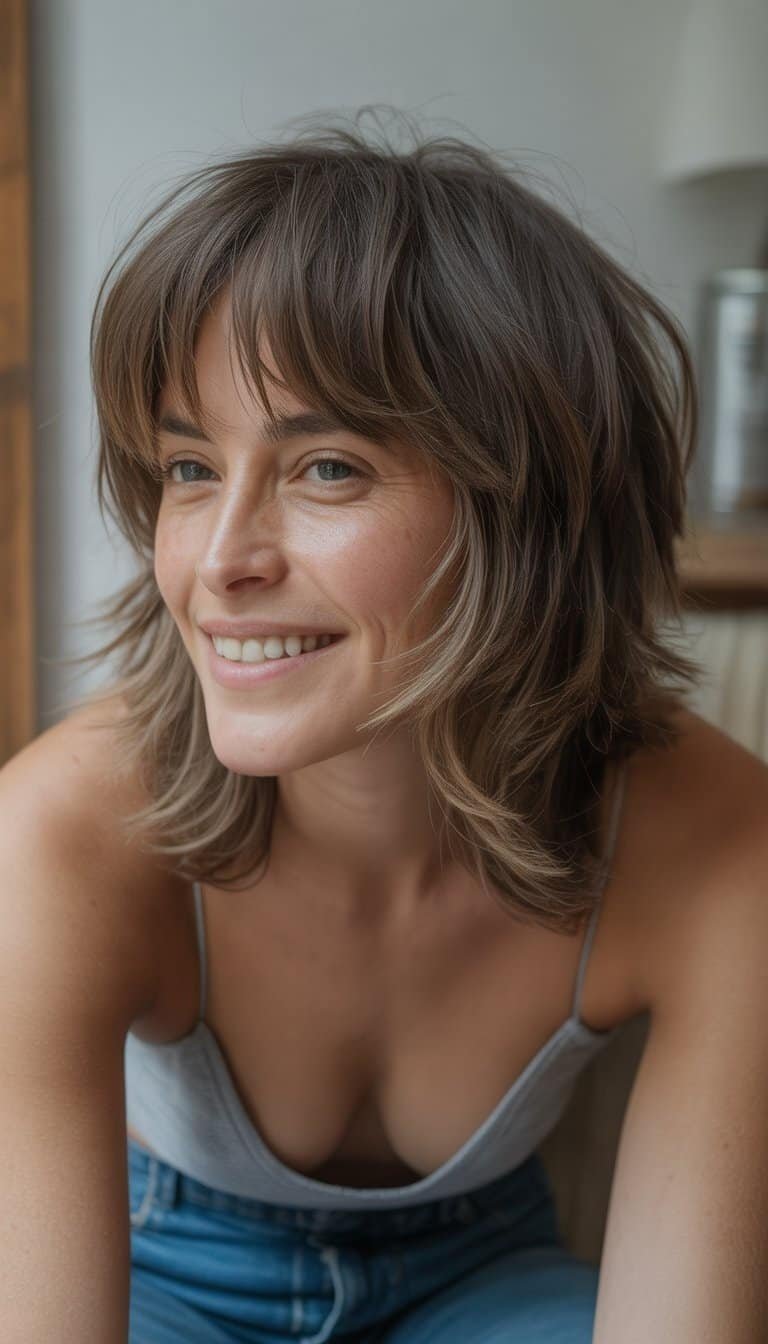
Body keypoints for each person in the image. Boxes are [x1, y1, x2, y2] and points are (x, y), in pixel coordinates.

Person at [3, 108, 767, 1343]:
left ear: (531, 514)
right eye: (193, 469)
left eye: (327, 469)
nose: (220, 562)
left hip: (491, 1279)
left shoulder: (716, 839)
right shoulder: (64, 832)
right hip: (158, 1265)